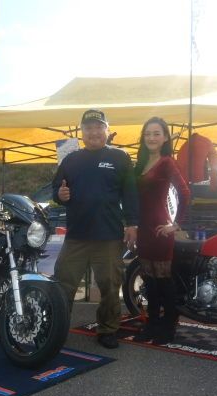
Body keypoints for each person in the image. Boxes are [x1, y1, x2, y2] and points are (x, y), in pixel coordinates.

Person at [52, 109, 139, 349]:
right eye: (88, 128)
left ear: (107, 130)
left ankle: (108, 329)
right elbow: (56, 189)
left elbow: (131, 193)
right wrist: (59, 195)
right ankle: (57, 328)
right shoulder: (71, 159)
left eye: (98, 127)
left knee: (110, 286)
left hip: (108, 236)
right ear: (82, 132)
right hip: (77, 236)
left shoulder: (120, 157)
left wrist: (133, 223)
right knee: (63, 284)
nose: (94, 132)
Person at [132, 117, 190, 344]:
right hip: (143, 230)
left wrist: (175, 224)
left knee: (164, 281)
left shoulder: (167, 162)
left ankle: (169, 325)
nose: (151, 138)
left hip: (160, 230)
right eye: (147, 134)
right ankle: (152, 324)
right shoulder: (140, 163)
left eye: (156, 133)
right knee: (149, 281)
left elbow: (185, 193)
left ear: (165, 137)